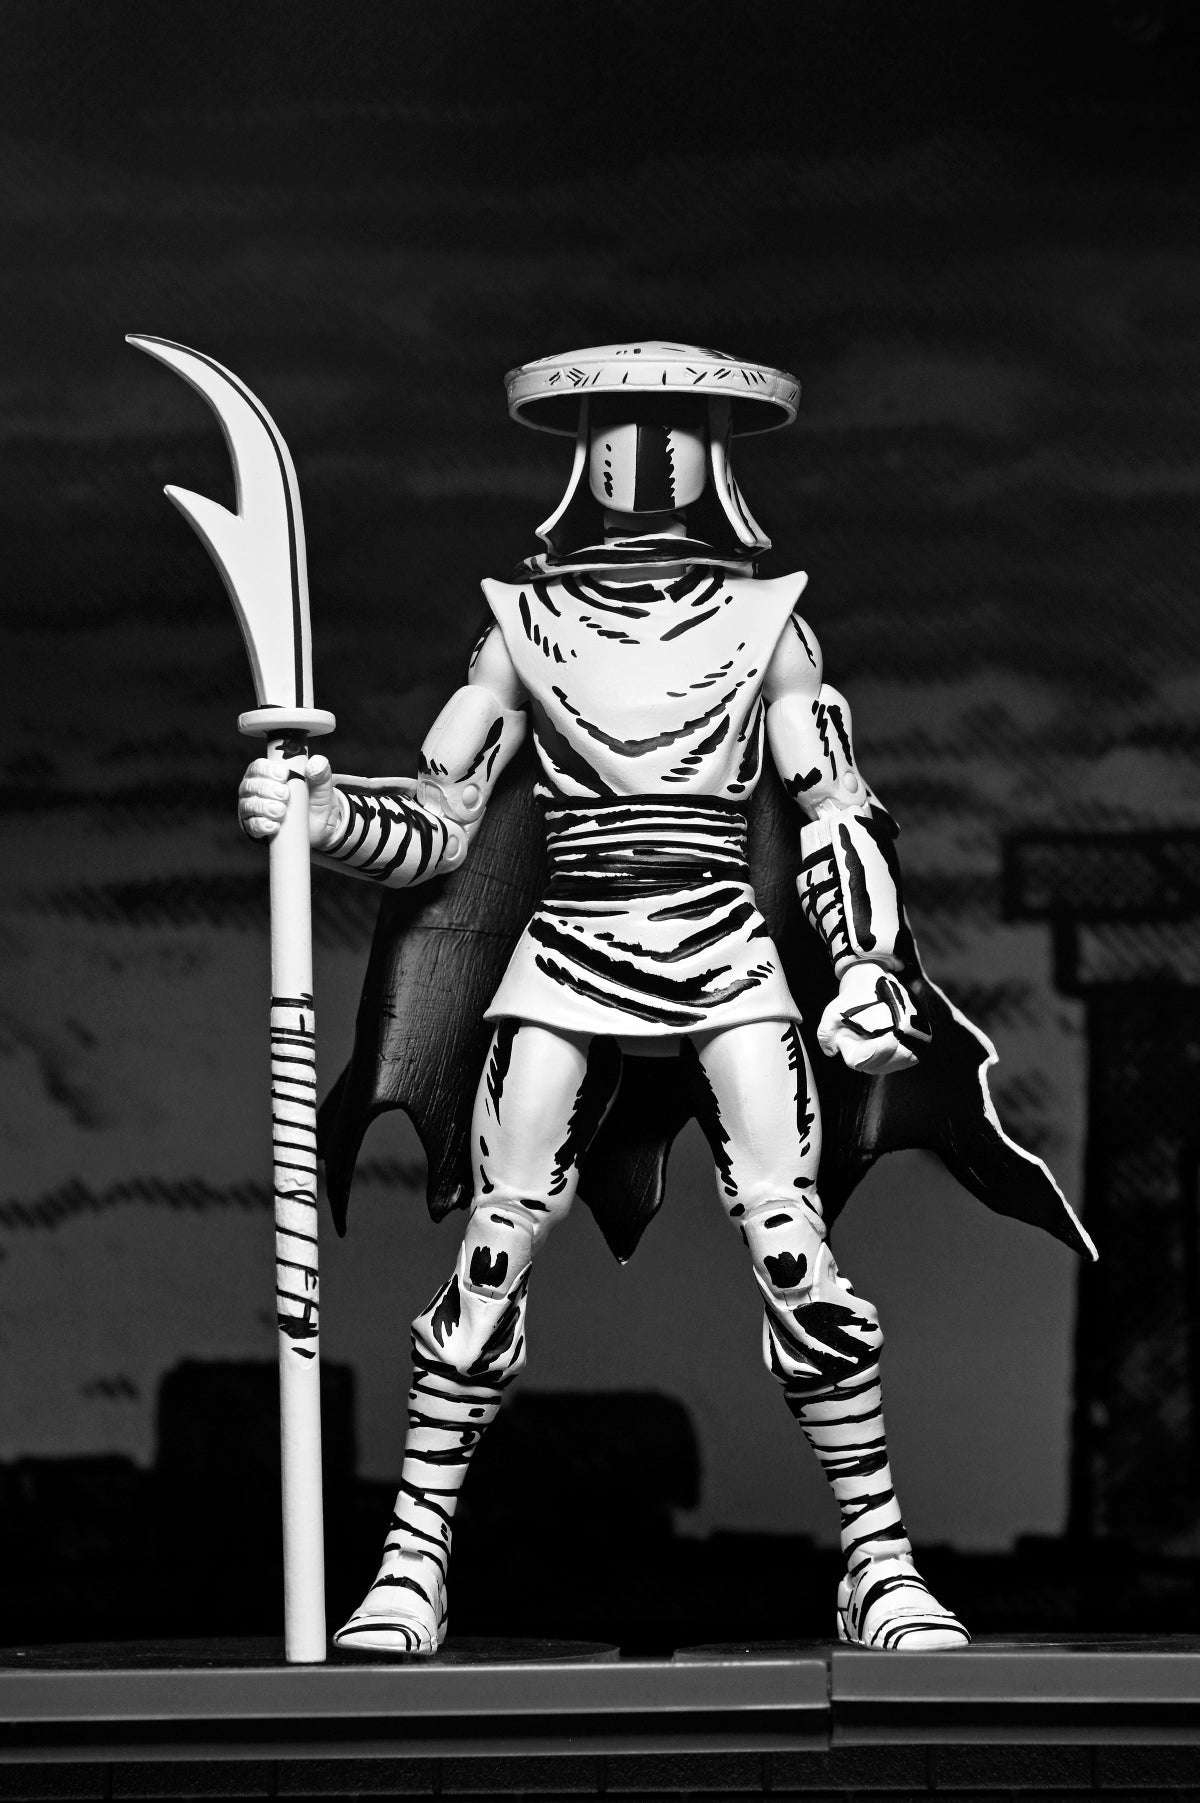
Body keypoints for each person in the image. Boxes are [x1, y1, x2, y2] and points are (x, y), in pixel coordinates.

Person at [240, 342, 976, 1653]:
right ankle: (412, 1563)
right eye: (618, 432)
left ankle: (878, 1561)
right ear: (580, 457)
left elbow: (831, 807)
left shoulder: (772, 628)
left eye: (668, 430)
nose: (642, 458)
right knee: (491, 1254)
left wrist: (865, 963)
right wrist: (323, 811)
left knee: (794, 1250)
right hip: (570, 950)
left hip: (726, 948)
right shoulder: (520, 631)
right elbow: (444, 824)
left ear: (713, 457)